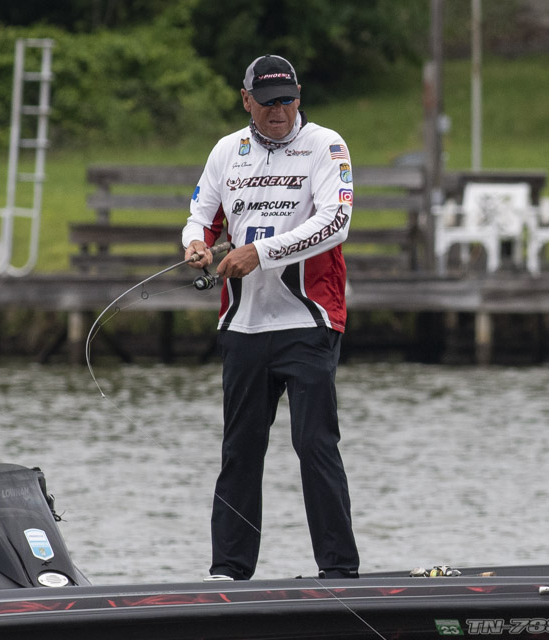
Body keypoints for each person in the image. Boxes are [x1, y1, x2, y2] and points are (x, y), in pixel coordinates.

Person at [182, 55, 359, 581]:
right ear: (246, 100)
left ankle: (338, 571)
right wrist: (196, 244)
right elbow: (201, 215)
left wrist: (260, 253)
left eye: (287, 100)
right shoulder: (226, 150)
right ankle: (229, 572)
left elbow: (335, 222)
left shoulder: (326, 145)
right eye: (267, 101)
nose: (279, 110)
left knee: (314, 445)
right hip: (243, 325)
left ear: (299, 97)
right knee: (240, 451)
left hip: (308, 320)